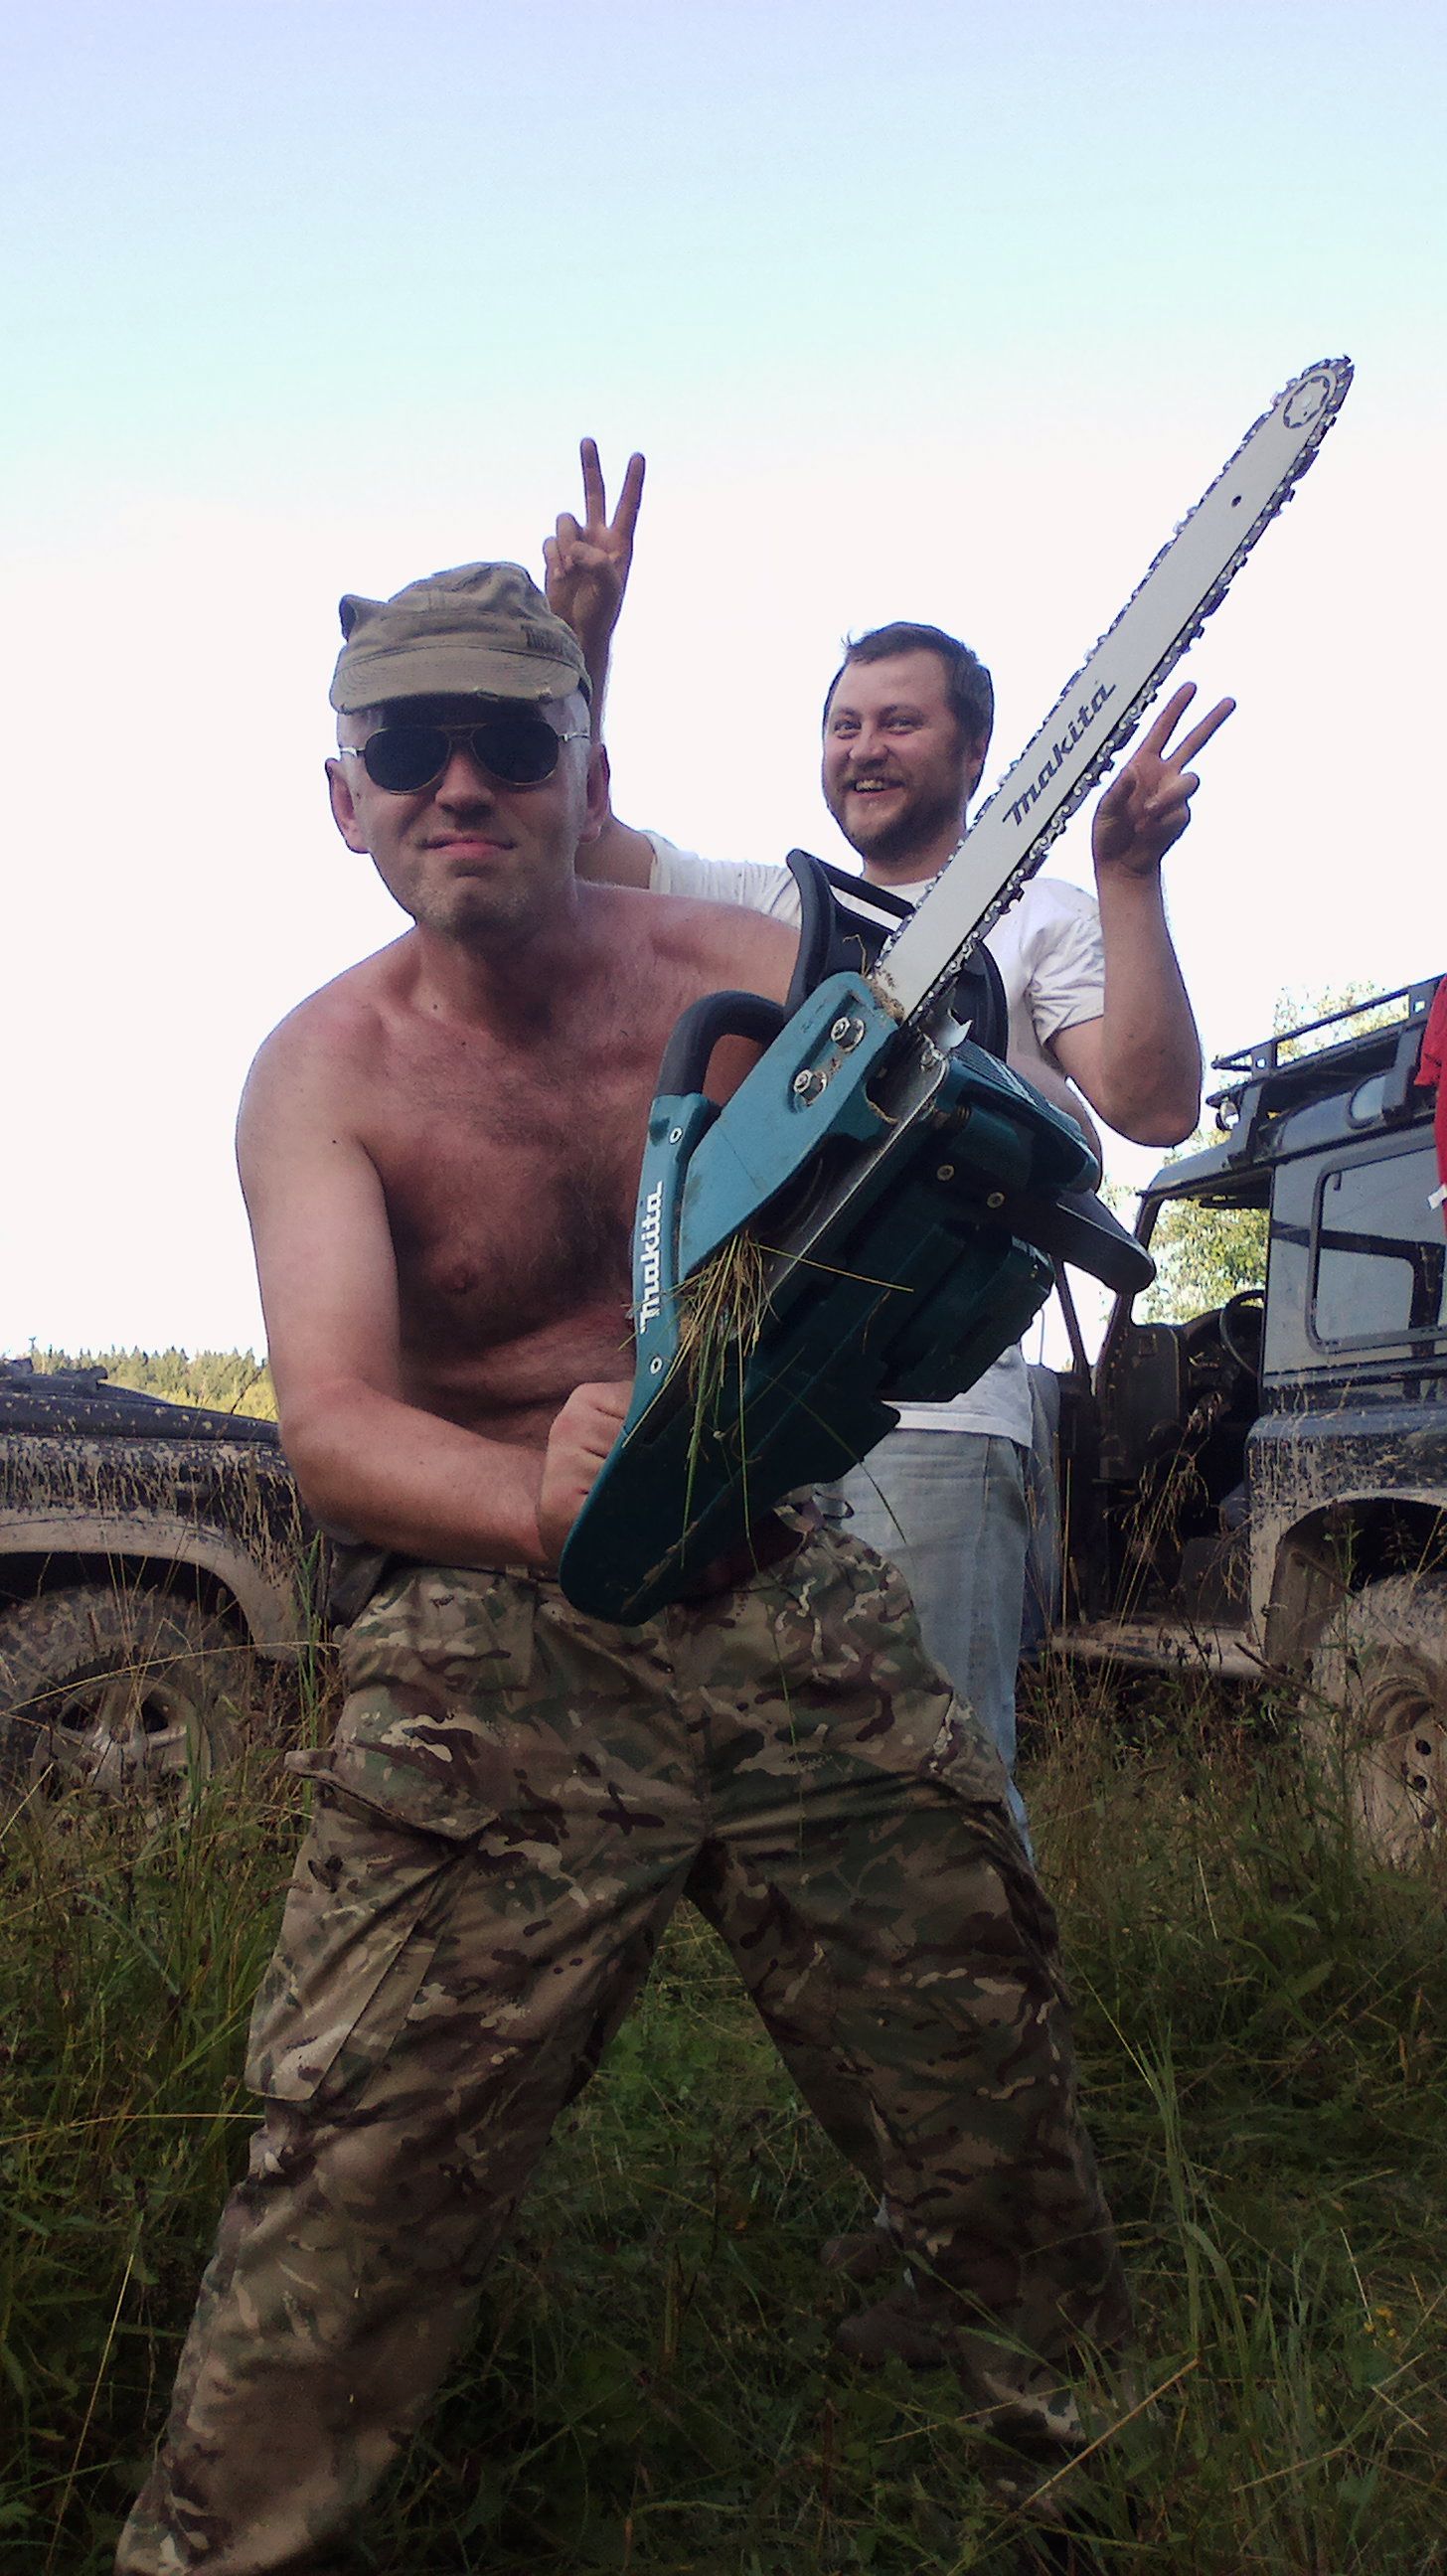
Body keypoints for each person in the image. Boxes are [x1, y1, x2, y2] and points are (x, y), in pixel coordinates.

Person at [115, 562, 1131, 2574]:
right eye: (410, 749)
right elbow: (336, 1420)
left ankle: (1086, 2472)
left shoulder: (752, 965)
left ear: (586, 772)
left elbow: (967, 1157)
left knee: (977, 2057)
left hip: (776, 1571)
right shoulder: (323, 1071)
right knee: (359, 2155)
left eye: (511, 741)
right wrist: (538, 1494)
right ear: (343, 796)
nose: (460, 785)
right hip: (489, 1625)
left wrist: (970, 1161)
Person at [550, 440, 1229, 1836]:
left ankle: (980, 1976)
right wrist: (583, 646)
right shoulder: (769, 901)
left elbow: (1154, 1106)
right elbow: (580, 850)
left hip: (942, 1405)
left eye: (900, 722)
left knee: (936, 1767)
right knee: (753, 1765)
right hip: (747, 1376)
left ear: (976, 752)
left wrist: (1128, 879)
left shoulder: (1044, 919)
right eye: (845, 723)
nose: (864, 747)